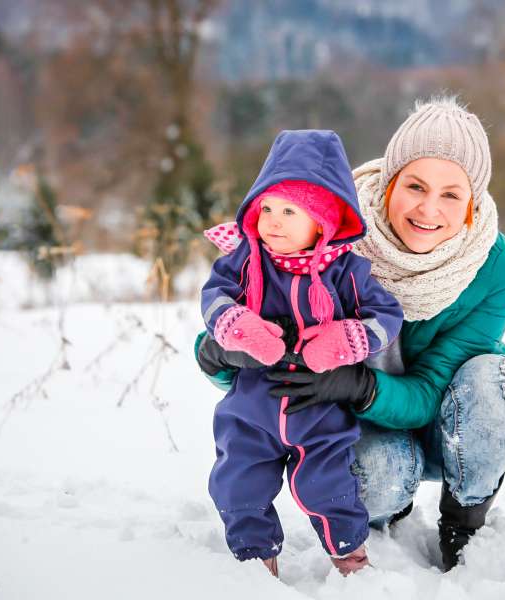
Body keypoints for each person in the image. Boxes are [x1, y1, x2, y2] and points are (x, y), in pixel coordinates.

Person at [199, 97, 505, 572]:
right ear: (390, 182)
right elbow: (237, 303)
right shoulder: (325, 229)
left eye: (451, 194)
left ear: (472, 204)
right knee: (373, 479)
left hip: (446, 416)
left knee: (496, 382)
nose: (428, 208)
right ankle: (389, 509)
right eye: (415, 185)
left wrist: (360, 385)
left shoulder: (491, 264)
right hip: (358, 426)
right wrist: (221, 350)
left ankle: (463, 525)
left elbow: (433, 388)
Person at [197, 129, 403, 578]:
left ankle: (350, 557)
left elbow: (385, 315)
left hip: (320, 408)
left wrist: (344, 340)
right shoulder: (246, 259)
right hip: (252, 403)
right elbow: (215, 296)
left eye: (290, 211)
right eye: (266, 207)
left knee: (327, 488)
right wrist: (238, 328)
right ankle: (255, 562)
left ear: (324, 220)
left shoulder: (347, 270)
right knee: (238, 483)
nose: (273, 220)